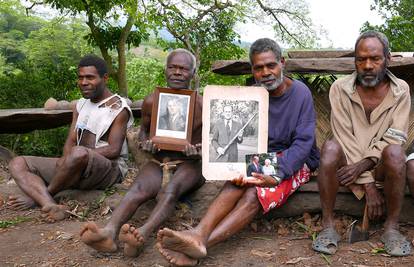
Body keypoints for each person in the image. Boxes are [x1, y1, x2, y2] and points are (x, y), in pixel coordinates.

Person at [156, 38, 320, 266]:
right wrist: (229, 163)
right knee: (237, 181)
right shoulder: (250, 96)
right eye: (258, 68)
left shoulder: (300, 93)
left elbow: (304, 143)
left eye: (270, 65)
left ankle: (201, 245)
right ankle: (197, 234)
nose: (265, 72)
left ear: (282, 63)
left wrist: (278, 172)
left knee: (254, 193)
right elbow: (241, 140)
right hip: (263, 157)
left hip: (294, 160)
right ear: (252, 70)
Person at [79, 48, 204, 257]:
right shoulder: (152, 101)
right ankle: (109, 233)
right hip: (159, 159)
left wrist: (197, 151)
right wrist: (146, 142)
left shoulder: (202, 105)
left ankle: (142, 234)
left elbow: (212, 143)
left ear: (193, 74)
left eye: (183, 69)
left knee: (170, 191)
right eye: (172, 67)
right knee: (137, 189)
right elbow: (144, 131)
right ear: (165, 70)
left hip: (190, 164)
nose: (177, 72)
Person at [312, 31, 411, 257]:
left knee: (395, 152)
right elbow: (344, 136)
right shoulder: (340, 89)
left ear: (388, 59)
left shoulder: (400, 90)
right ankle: (328, 226)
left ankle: (391, 228)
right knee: (329, 148)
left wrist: (364, 168)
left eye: (375, 59)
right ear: (355, 61)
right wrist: (367, 185)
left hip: (379, 166)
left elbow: (396, 137)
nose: (367, 65)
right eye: (361, 59)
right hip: (349, 163)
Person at [7, 55, 133, 222]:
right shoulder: (81, 104)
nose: (83, 82)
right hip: (76, 164)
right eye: (80, 77)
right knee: (17, 163)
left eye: (90, 77)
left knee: (78, 152)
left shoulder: (118, 108)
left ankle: (41, 197)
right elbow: (71, 139)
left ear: (105, 78)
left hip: (108, 169)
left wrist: (75, 157)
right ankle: (49, 204)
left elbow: (113, 149)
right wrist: (67, 161)